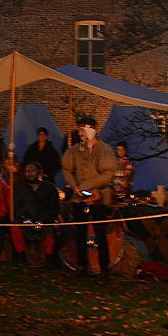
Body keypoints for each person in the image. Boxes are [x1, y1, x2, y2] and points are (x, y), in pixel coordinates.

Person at [61, 116, 116, 275]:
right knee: (80, 232)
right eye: (79, 130)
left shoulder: (104, 150)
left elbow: (107, 174)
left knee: (100, 233)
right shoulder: (75, 150)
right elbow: (66, 169)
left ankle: (104, 267)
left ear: (92, 130)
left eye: (82, 130)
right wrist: (75, 187)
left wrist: (86, 186)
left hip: (99, 196)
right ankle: (82, 265)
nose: (80, 133)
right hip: (80, 196)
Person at [13, 161, 61, 265]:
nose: (29, 173)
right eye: (27, 171)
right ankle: (22, 257)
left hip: (44, 221)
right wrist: (25, 219)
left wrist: (42, 220)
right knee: (14, 227)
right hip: (26, 221)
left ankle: (49, 259)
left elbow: (54, 208)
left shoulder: (50, 188)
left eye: (32, 171)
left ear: (39, 172)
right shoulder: (20, 189)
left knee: (50, 231)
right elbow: (17, 208)